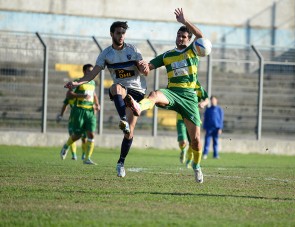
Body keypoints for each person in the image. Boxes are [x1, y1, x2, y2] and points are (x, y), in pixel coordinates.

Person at [124, 8, 208, 183]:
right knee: (154, 94)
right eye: (179, 35)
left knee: (196, 141)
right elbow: (148, 67)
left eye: (184, 36)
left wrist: (185, 22)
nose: (180, 38)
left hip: (189, 97)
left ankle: (197, 166)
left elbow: (201, 37)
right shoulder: (167, 55)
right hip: (172, 93)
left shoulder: (193, 50)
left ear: (189, 39)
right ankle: (139, 106)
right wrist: (143, 66)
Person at [64, 21, 149, 177]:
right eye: (118, 33)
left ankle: (121, 162)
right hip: (121, 90)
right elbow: (91, 74)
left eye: (123, 33)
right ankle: (122, 119)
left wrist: (144, 68)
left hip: (137, 91)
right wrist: (76, 82)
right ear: (112, 34)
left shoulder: (133, 50)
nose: (121, 36)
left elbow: (145, 72)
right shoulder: (106, 54)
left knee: (129, 133)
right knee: (115, 87)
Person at [60, 64, 100, 165]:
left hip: (90, 111)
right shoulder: (78, 81)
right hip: (79, 111)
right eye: (89, 71)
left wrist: (97, 104)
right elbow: (68, 94)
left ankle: (87, 158)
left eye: (92, 71)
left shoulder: (93, 83)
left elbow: (94, 94)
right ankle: (66, 146)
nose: (91, 73)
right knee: (77, 135)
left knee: (91, 134)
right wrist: (82, 95)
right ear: (84, 72)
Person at [178, 85, 209, 168]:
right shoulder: (181, 85)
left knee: (193, 142)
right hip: (181, 118)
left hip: (193, 119)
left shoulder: (199, 88)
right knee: (183, 142)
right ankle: (183, 150)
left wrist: (203, 103)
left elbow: (207, 99)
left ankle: (189, 160)